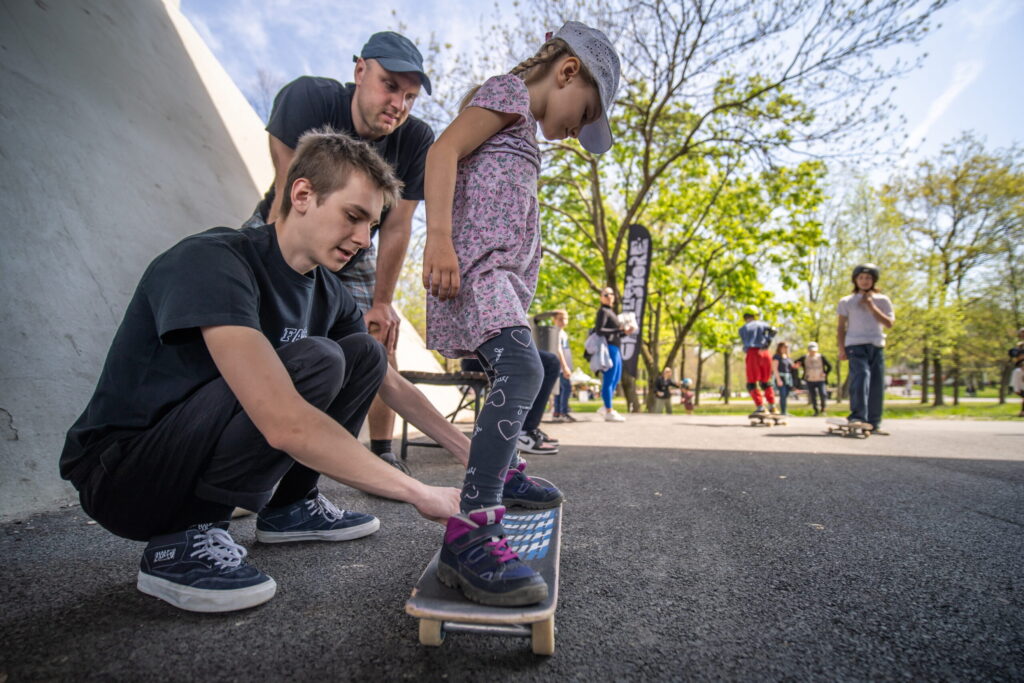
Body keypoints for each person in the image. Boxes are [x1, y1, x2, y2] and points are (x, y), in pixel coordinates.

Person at [59, 131, 465, 614]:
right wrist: (420, 494)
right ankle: (182, 541)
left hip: (189, 448)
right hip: (124, 474)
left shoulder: (326, 291)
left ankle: (291, 508)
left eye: (372, 225)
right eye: (353, 216)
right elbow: (283, 419)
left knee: (365, 354)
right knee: (320, 359)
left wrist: (469, 449)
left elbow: (388, 383)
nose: (363, 239)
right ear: (302, 195)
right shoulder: (215, 260)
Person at [422, 21, 620, 605]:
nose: (574, 132)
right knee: (527, 371)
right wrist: (438, 239)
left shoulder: (524, 130)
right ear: (567, 72)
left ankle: (502, 472)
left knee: (532, 367)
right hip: (476, 269)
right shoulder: (508, 93)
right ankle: (473, 529)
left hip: (498, 278)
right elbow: (442, 152)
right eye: (582, 114)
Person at [243, 31, 435, 470]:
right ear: (360, 70)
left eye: (409, 96)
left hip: (358, 249)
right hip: (286, 228)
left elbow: (398, 225)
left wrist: (383, 302)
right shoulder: (310, 98)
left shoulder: (416, 139)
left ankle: (382, 451)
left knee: (379, 339)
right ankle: (248, 448)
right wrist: (277, 277)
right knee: (266, 328)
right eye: (390, 85)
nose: (398, 104)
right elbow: (289, 200)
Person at [837, 263, 895, 434]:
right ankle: (858, 417)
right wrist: (841, 348)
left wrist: (871, 305)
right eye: (861, 278)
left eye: (868, 278)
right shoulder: (846, 301)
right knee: (861, 377)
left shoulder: (883, 300)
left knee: (877, 384)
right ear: (855, 280)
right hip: (855, 345)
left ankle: (874, 422)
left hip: (876, 345)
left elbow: (889, 323)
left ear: (874, 280)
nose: (864, 281)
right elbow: (841, 327)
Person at [593, 288, 633, 422]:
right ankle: (609, 411)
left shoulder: (612, 312)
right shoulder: (603, 311)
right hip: (608, 348)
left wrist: (624, 333)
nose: (609, 296)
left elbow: (615, 333)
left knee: (616, 379)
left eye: (611, 294)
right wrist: (618, 329)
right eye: (605, 294)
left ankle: (605, 406)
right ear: (601, 298)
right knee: (609, 380)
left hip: (616, 348)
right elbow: (599, 330)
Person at [738, 307, 778, 416]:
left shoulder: (742, 329)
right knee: (766, 381)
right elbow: (774, 330)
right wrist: (766, 343)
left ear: (745, 316)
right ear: (756, 315)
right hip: (765, 352)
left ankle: (760, 407)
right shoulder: (763, 324)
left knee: (752, 382)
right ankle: (772, 406)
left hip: (752, 353)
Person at [794, 342, 832, 416]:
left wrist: (825, 373)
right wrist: (800, 365)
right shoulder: (805, 357)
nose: (812, 352)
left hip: (820, 379)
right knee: (813, 395)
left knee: (823, 394)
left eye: (814, 350)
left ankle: (823, 409)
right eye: (811, 350)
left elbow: (829, 366)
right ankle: (816, 411)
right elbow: (796, 362)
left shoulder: (821, 357)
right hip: (810, 379)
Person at [551, 310, 577, 422]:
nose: (563, 321)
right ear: (554, 320)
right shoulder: (556, 332)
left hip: (563, 366)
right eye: (560, 319)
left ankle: (557, 412)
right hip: (561, 366)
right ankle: (563, 412)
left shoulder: (563, 333)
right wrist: (565, 366)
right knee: (566, 388)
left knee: (560, 389)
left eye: (565, 318)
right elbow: (558, 350)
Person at [772, 341, 795, 416]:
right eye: (785, 346)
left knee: (786, 395)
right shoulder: (777, 356)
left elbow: (791, 367)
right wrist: (778, 379)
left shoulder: (787, 357)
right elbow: (775, 368)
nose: (786, 348)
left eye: (787, 347)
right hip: (781, 377)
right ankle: (783, 411)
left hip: (788, 378)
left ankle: (785, 410)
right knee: (783, 394)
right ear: (780, 347)